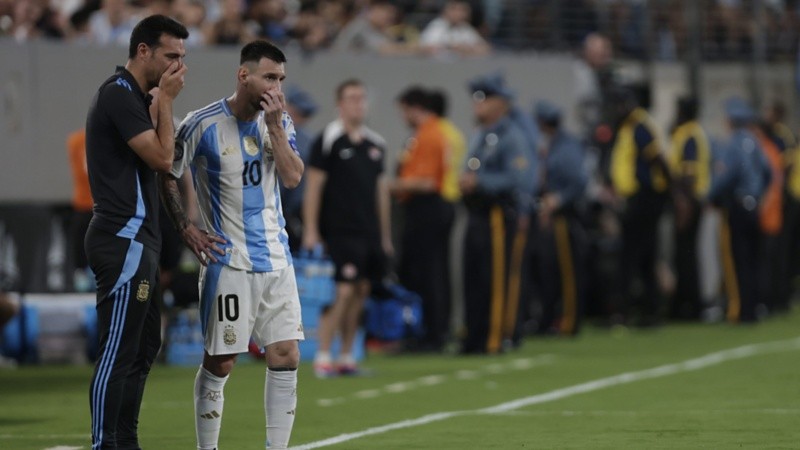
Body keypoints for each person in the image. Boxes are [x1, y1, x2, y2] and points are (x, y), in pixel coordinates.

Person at [160, 40, 305, 450]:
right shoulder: (202, 123)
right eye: (270, 77)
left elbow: (293, 178)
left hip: (277, 259)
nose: (277, 88)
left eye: (281, 79)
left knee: (286, 354)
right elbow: (166, 170)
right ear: (244, 76)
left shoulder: (279, 122)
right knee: (222, 361)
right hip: (229, 261)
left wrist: (276, 126)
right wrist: (186, 227)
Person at [84, 14, 188, 450]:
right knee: (119, 350)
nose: (177, 66)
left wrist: (185, 227)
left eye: (182, 57)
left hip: (143, 239)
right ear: (143, 51)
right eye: (171, 55)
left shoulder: (138, 97)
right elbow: (164, 159)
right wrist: (165, 102)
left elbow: (164, 171)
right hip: (121, 237)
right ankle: (106, 442)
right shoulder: (119, 95)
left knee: (145, 349)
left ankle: (125, 440)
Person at [303, 78, 392, 377]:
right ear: (339, 104)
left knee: (361, 290)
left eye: (362, 97)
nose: (358, 103)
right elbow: (314, 186)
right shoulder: (328, 139)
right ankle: (323, 354)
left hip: (368, 232)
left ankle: (347, 356)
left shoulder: (375, 144)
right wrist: (312, 230)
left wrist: (385, 236)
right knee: (341, 290)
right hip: (339, 230)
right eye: (352, 98)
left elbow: (381, 193)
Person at [459, 73, 532, 354]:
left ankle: (496, 336)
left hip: (499, 215)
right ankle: (474, 334)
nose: (478, 105)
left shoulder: (511, 136)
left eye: (485, 99)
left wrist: (480, 182)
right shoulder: (480, 135)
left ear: (500, 103)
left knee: (497, 277)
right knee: (474, 276)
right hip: (477, 214)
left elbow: (519, 179)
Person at [391, 86, 453, 352]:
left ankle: (431, 334)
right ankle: (429, 332)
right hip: (426, 209)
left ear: (414, 108)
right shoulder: (428, 133)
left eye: (404, 110)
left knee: (428, 274)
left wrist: (391, 186)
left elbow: (428, 182)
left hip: (427, 208)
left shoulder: (430, 134)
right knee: (428, 272)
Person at [608, 86, 671, 327]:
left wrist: (669, 192)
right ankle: (646, 310)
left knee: (634, 256)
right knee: (640, 256)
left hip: (644, 199)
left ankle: (632, 311)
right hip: (637, 198)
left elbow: (657, 159)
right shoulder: (629, 127)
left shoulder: (640, 126)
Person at [706, 97, 771, 324]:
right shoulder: (755, 142)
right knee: (754, 259)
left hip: (738, 205)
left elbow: (726, 176)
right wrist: (760, 195)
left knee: (738, 261)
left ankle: (740, 310)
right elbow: (768, 171)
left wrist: (709, 196)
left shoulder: (733, 144)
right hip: (754, 206)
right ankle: (754, 307)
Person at [531, 100, 588, 336]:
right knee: (550, 270)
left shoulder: (566, 146)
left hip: (565, 217)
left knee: (567, 270)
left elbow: (578, 181)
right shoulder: (553, 144)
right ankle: (551, 318)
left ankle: (570, 321)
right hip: (552, 216)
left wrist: (558, 199)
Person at [667, 96, 711, 320]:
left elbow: (688, 173)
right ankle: (689, 304)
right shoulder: (694, 132)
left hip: (688, 200)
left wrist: (684, 203)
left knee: (685, 255)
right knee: (687, 254)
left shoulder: (688, 134)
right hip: (692, 199)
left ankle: (689, 307)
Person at [280, 85, 318, 252]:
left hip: (297, 213)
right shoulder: (269, 133)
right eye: (299, 113)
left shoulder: (307, 141)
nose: (301, 119)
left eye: (305, 115)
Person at [66, 127, 94, 291]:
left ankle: (83, 274)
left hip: (87, 205)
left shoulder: (75, 140)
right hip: (89, 205)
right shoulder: (79, 141)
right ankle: (83, 274)